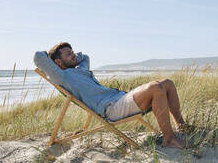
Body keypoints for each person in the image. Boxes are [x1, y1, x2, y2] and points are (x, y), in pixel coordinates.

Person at [34, 42, 190, 148]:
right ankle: (168, 139)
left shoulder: (80, 69)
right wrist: (53, 59)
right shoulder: (62, 77)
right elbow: (38, 57)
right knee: (156, 87)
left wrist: (72, 58)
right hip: (112, 109)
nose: (74, 55)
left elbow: (85, 57)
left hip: (120, 98)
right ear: (57, 63)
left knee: (167, 83)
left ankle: (181, 125)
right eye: (68, 54)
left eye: (73, 52)